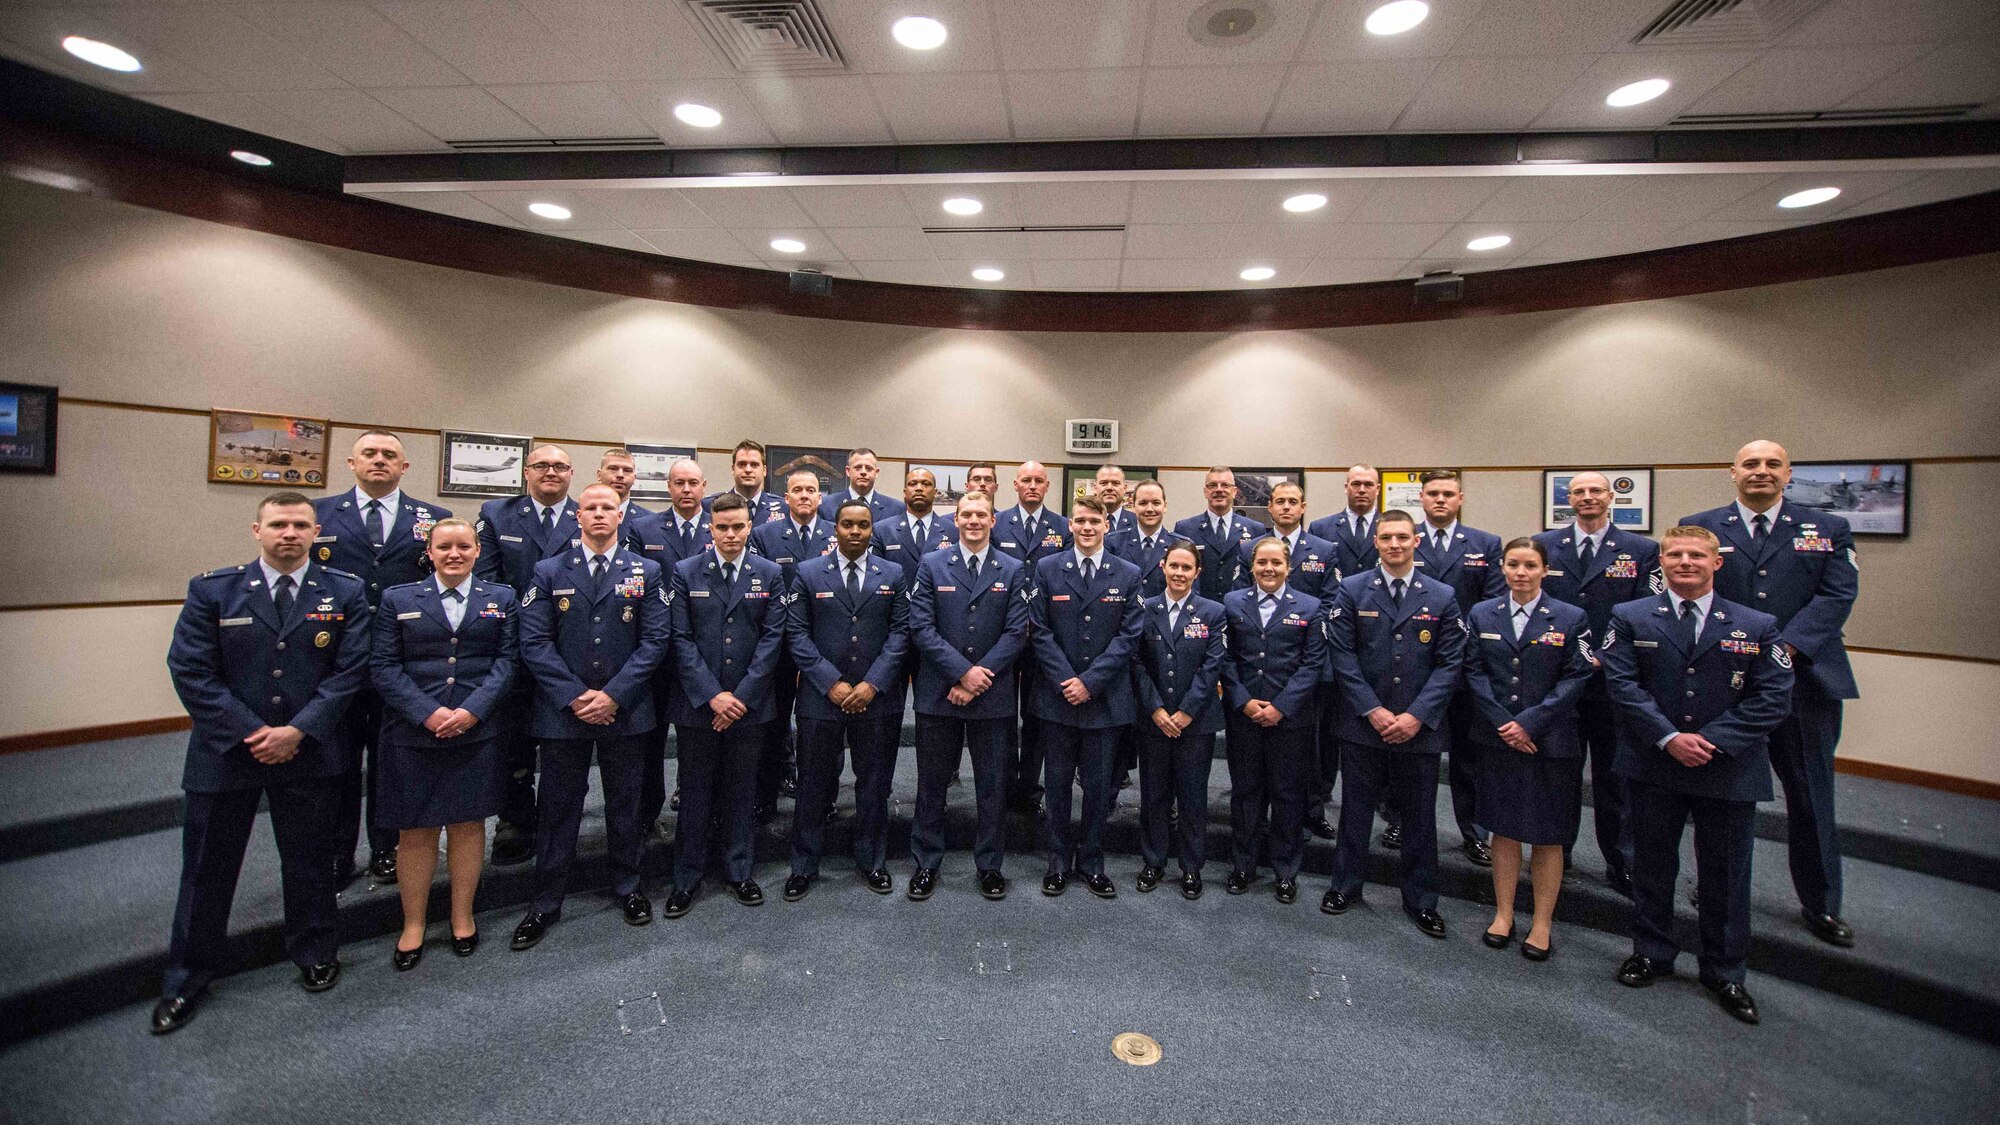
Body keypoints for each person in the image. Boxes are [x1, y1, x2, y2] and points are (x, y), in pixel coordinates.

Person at [154, 492, 372, 1034]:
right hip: (227, 753)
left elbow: (350, 671)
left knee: (310, 862)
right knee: (207, 869)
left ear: (316, 531)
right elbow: (190, 671)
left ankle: (316, 951)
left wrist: (298, 730)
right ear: (257, 530)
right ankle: (188, 977)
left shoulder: (342, 591)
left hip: (309, 749)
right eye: (279, 524)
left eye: (301, 524)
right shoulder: (213, 589)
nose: (290, 533)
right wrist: (254, 732)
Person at [1600, 525, 1793, 1024]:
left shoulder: (1757, 624)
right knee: (1652, 864)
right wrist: (1669, 738)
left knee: (1726, 873)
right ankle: (1651, 951)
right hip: (1654, 762)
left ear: (1716, 562)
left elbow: (1772, 697)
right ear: (1660, 561)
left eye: (1695, 555)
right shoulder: (1630, 616)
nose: (1684, 562)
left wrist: (1712, 742)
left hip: (1726, 767)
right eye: (1674, 554)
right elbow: (1621, 685)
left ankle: (1724, 970)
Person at [1682, 440, 1861, 948]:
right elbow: (1688, 589)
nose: (1761, 471)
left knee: (1810, 796)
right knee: (1715, 796)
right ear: (1732, 472)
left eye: (1772, 465)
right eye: (1752, 464)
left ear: (1789, 474)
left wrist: (1782, 650)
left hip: (1806, 685)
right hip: (1722, 683)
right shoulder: (1703, 527)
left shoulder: (1827, 528)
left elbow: (1837, 595)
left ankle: (1821, 903)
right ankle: (1712, 887)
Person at [509, 485, 670, 951]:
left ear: (620, 515)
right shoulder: (549, 570)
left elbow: (655, 642)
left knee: (627, 802)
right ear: (578, 516)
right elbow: (534, 642)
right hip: (564, 712)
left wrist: (614, 695)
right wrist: (577, 696)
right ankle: (545, 900)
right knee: (558, 807)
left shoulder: (647, 571)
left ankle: (628, 885)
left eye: (607, 508)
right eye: (591, 508)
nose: (599, 514)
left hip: (626, 709)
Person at [370, 518, 517, 969]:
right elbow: (383, 665)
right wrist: (427, 713)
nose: (454, 554)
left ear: (477, 550)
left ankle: (461, 916)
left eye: (463, 546)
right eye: (444, 547)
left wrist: (473, 710)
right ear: (429, 552)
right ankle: (413, 924)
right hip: (413, 731)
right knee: (415, 830)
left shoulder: (502, 598)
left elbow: (507, 661)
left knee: (468, 825)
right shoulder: (397, 599)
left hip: (476, 728)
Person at [313, 430, 451, 883]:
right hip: (337, 660)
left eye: (389, 455)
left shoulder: (433, 518)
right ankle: (335, 851)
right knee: (338, 761)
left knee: (393, 762)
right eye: (369, 454)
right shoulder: (319, 514)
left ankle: (387, 847)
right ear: (351, 463)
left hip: (403, 662)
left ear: (404, 467)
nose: (379, 461)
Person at [1322, 510, 1466, 938]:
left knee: (1420, 816)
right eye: (1387, 538)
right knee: (1356, 811)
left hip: (1419, 726)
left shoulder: (1442, 595)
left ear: (1416, 541)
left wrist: (1416, 715)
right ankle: (1345, 886)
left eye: (1403, 537)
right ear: (1376, 542)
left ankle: (1421, 899)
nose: (1395, 544)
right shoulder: (1351, 590)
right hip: (1364, 723)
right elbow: (1342, 656)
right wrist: (1373, 709)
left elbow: (1450, 662)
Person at [1462, 538, 1596, 961]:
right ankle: (1503, 914)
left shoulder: (1572, 617)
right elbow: (1473, 670)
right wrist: (1505, 722)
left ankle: (1541, 923)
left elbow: (1577, 677)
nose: (1521, 572)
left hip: (1549, 741)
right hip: (1497, 737)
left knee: (1547, 835)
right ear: (1502, 568)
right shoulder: (1483, 613)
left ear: (1545, 570)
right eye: (1514, 565)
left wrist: (1530, 723)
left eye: (1530, 565)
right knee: (1503, 829)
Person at [1535, 471, 1662, 896]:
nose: (1587, 497)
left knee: (1615, 777)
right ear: (1567, 499)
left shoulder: (1642, 550)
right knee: (1557, 772)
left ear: (1611, 497)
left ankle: (1620, 859)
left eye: (1595, 491)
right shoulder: (1545, 545)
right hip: (1557, 681)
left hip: (1612, 681)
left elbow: (1648, 610)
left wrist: (1606, 657)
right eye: (1578, 492)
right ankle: (1558, 850)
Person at [664, 493, 789, 916]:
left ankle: (739, 870)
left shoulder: (769, 573)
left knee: (742, 790)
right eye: (723, 528)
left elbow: (773, 640)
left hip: (751, 706)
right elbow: (679, 639)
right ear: (710, 529)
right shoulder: (684, 572)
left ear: (750, 526)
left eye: (738, 527)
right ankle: (687, 876)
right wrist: (713, 695)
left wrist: (742, 696)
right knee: (696, 792)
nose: (731, 535)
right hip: (700, 705)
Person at [906, 489, 1033, 901]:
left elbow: (1018, 632)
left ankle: (990, 865)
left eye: (982, 515)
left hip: (993, 698)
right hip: (939, 695)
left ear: (993, 521)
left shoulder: (1013, 569)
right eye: (967, 515)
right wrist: (962, 674)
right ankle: (926, 862)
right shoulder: (932, 564)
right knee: (932, 785)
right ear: (955, 521)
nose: (974, 521)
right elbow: (921, 628)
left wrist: (980, 677)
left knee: (992, 788)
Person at [782, 501, 909, 899]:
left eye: (863, 525)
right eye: (848, 524)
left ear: (873, 530)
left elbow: (901, 634)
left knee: (874, 785)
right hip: (822, 700)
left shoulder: (893, 573)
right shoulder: (807, 572)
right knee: (814, 786)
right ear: (833, 528)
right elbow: (797, 635)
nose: (855, 531)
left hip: (876, 699)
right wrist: (830, 682)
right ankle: (804, 864)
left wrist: (872, 683)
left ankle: (873, 861)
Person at [1026, 496, 1144, 898]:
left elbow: (1130, 636)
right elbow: (1038, 631)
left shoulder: (1128, 573)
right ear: (1070, 526)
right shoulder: (1047, 569)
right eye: (1080, 521)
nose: (1088, 527)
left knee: (1098, 789)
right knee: (1057, 785)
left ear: (1107, 526)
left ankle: (1092, 862)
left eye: (1095, 521)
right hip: (1057, 698)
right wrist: (1067, 680)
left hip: (1105, 700)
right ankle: (1058, 862)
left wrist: (1090, 682)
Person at [474, 444, 579, 865]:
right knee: (513, 741)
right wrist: (531, 627)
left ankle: (557, 820)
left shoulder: (587, 512)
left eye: (559, 466)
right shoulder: (497, 514)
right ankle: (515, 820)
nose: (550, 472)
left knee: (563, 745)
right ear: (526, 472)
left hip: (574, 647)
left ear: (571, 473)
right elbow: (488, 582)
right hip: (515, 645)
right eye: (541, 465)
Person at [1219, 537, 1326, 903]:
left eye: (1276, 563)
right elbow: (1225, 659)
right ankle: (1243, 866)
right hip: (1244, 717)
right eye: (1261, 562)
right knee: (1246, 793)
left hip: (1291, 719)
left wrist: (1281, 706)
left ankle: (1285, 871)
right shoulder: (1232, 603)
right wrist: (1244, 701)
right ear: (1251, 566)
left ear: (1288, 567)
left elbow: (1313, 664)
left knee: (1287, 795)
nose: (1268, 569)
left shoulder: (1310, 607)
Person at [1412, 469, 1504, 866]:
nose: (1440, 500)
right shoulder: (1403, 537)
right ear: (1421, 498)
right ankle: (1401, 820)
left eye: (1448, 494)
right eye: (1433, 493)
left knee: (1468, 758)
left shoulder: (1484, 544)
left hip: (1464, 666)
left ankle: (1473, 831)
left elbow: (1492, 605)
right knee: (1408, 752)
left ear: (1460, 498)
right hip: (1412, 668)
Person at [1131, 544, 1228, 898]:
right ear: (1162, 567)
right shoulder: (1146, 609)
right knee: (1153, 794)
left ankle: (1191, 867)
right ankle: (1153, 861)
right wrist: (1156, 709)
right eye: (1174, 566)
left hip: (1196, 722)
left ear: (1197, 571)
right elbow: (1136, 664)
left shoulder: (1213, 612)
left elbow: (1212, 666)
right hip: (1153, 720)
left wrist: (1186, 712)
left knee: (1192, 796)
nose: (1179, 573)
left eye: (1187, 567)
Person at [626, 458, 713, 825]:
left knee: (701, 738)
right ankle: (648, 811)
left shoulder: (720, 526)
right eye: (679, 483)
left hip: (704, 650)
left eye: (693, 483)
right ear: (669, 487)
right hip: (658, 649)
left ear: (704, 486)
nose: (687, 490)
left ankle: (693, 799)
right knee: (653, 737)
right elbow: (630, 585)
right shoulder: (643, 528)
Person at [747, 468, 835, 820]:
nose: (803, 495)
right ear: (785, 498)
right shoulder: (765, 535)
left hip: (825, 646)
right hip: (779, 646)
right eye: (796, 490)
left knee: (825, 730)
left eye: (810, 490)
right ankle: (765, 799)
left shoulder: (835, 533)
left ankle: (823, 802)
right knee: (774, 725)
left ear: (819, 497)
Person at [994, 460, 1070, 813]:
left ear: (1047, 486)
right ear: (1015, 484)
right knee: (1005, 715)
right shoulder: (999, 523)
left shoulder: (1061, 527)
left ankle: (1030, 787)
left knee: (1038, 715)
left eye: (1039, 480)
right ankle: (1006, 784)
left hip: (1042, 634)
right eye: (1026, 480)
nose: (1032, 486)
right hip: (1005, 635)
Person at [1173, 467, 1268, 604]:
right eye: (1212, 485)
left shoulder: (1255, 530)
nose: (1219, 490)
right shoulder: (1185, 528)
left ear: (1234, 491)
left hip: (1242, 609)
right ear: (1205, 492)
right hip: (1198, 610)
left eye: (1225, 485)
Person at [1234, 481, 1340, 599]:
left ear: (1303, 507)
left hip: (1309, 617)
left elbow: (1331, 600)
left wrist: (1310, 617)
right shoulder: (1249, 549)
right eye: (1280, 502)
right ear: (1270, 507)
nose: (1286, 507)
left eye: (1293, 502)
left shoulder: (1324, 550)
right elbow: (1240, 598)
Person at [872, 466, 959, 593]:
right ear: (905, 492)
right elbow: (877, 575)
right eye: (913, 484)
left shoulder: (953, 531)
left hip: (938, 608)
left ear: (935, 492)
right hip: (895, 607)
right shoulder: (883, 530)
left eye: (926, 484)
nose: (919, 488)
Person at [1106, 479, 1188, 600]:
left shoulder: (1180, 545)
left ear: (1165, 506)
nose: (1150, 509)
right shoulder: (1113, 542)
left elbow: (1190, 594)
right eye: (1143, 503)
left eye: (1156, 503)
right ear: (1133, 507)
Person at [1308, 465, 1381, 578]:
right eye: (1356, 484)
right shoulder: (1320, 529)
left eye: (1368, 484)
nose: (1362, 490)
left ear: (1377, 489)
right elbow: (1312, 576)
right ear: (1346, 488)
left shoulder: (1391, 529)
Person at [707, 438, 789, 524]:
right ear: (733, 469)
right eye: (742, 464)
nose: (748, 470)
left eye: (754, 465)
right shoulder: (710, 505)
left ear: (764, 471)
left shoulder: (784, 507)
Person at [819, 446, 906, 524]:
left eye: (869, 468)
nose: (863, 472)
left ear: (876, 473)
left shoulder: (896, 509)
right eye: (858, 467)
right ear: (848, 471)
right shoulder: (826, 505)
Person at [595, 448, 651, 542]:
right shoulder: (582, 515)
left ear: (634, 478)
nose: (620, 475)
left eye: (627, 470)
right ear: (599, 475)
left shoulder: (649, 521)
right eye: (613, 469)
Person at [1095, 464, 1138, 535]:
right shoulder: (1083, 523)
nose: (1109, 488)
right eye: (1104, 483)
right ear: (1095, 488)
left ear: (1125, 488)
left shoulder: (1137, 523)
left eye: (1115, 483)